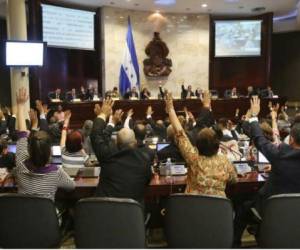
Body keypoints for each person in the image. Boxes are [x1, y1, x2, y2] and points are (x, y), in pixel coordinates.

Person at [234, 96, 300, 246]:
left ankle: (234, 244)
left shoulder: (280, 155)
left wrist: (254, 117)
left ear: (290, 140)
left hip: (271, 212)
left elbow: (259, 139)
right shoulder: (281, 155)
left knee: (242, 208)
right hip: (295, 217)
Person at [165, 91, 237, 197]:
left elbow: (179, 132)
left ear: (197, 145)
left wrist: (170, 109)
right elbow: (234, 180)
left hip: (192, 211)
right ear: (217, 146)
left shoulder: (193, 159)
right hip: (218, 212)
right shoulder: (225, 161)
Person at [13, 88, 75, 201]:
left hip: (23, 217)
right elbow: (72, 186)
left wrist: (20, 105)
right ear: (49, 153)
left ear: (29, 150)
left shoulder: (21, 164)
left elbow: (22, 134)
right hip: (47, 218)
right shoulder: (55, 172)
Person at [91, 100, 153, 203]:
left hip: (104, 213)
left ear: (116, 143)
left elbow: (96, 135)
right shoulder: (145, 161)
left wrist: (104, 116)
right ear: (135, 142)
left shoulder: (107, 157)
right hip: (132, 216)